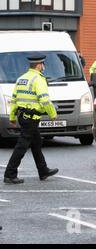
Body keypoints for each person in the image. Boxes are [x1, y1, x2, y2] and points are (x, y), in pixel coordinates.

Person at [4, 55, 59, 184]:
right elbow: (44, 99)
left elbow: (14, 100)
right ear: (39, 65)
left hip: (23, 116)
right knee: (22, 146)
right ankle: (10, 174)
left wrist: (12, 116)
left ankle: (43, 170)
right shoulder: (38, 79)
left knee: (36, 143)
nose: (43, 67)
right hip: (31, 118)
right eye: (43, 64)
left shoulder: (21, 79)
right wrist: (53, 114)